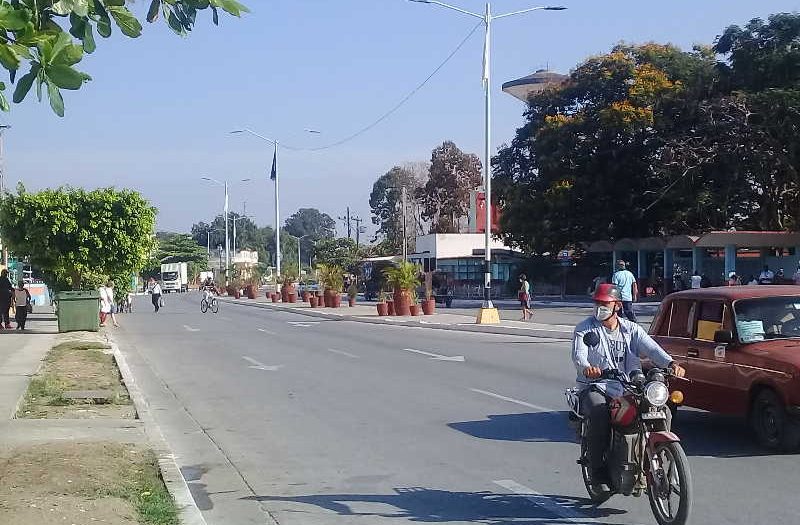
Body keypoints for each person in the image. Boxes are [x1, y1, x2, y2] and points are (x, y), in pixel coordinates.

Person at [572, 283, 686, 490]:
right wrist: (588, 368)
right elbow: (579, 355)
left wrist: (671, 364)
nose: (600, 307)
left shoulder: (631, 329)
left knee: (663, 411)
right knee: (599, 414)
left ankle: (657, 462)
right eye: (597, 303)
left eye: (604, 304)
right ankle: (597, 473)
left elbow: (651, 348)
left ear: (617, 305)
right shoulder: (584, 328)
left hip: (630, 385)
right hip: (597, 385)